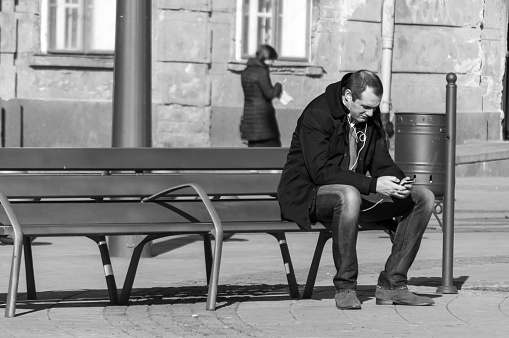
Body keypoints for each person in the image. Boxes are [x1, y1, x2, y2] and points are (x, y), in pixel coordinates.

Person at [277, 70, 435, 310]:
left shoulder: (367, 116)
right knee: (348, 195)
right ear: (348, 96)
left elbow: (380, 160)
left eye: (375, 107)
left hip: (352, 193)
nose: (371, 114)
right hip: (308, 194)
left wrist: (399, 182)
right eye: (366, 107)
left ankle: (393, 284)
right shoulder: (317, 114)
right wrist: (373, 185)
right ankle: (346, 287)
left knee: (423, 197)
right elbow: (320, 172)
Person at [240, 44, 283, 147]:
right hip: (264, 119)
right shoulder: (262, 71)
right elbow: (269, 94)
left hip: (249, 115)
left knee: (254, 151)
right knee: (274, 150)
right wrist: (278, 86)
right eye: (272, 59)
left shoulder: (246, 71)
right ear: (266, 57)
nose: (273, 62)